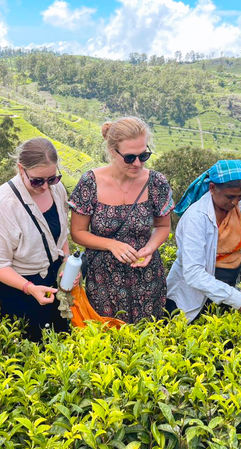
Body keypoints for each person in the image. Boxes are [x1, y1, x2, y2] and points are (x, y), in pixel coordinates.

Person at [69, 116, 174, 323]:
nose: (137, 163)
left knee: (147, 340)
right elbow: (77, 232)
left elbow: (163, 226)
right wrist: (111, 245)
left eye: (143, 156)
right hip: (103, 282)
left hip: (147, 278)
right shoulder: (91, 182)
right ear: (112, 151)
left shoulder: (156, 182)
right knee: (105, 340)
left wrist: (150, 248)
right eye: (129, 157)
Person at [0, 137, 70, 342]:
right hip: (16, 290)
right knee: (25, 352)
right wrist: (30, 288)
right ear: (21, 169)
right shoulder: (3, 204)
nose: (45, 187)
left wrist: (66, 262)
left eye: (52, 179)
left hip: (50, 284)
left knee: (57, 346)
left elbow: (61, 236)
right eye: (37, 181)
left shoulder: (58, 190)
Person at [166, 160, 241, 323]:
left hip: (228, 289)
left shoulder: (240, 208)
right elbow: (194, 273)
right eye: (230, 197)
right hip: (195, 297)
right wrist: (237, 299)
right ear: (212, 189)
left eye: (240, 196)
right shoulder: (196, 217)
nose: (235, 202)